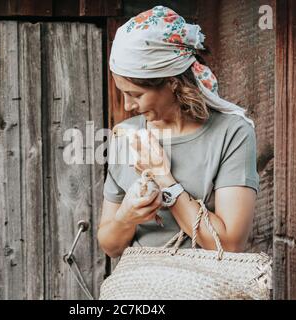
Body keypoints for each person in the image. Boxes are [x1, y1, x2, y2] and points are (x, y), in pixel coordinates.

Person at [97, 6, 260, 258]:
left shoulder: (232, 133)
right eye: (123, 93)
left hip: (203, 288)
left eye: (136, 95)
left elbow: (229, 245)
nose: (128, 106)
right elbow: (110, 247)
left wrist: (165, 181)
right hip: (136, 287)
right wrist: (126, 217)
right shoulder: (126, 135)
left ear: (172, 82)